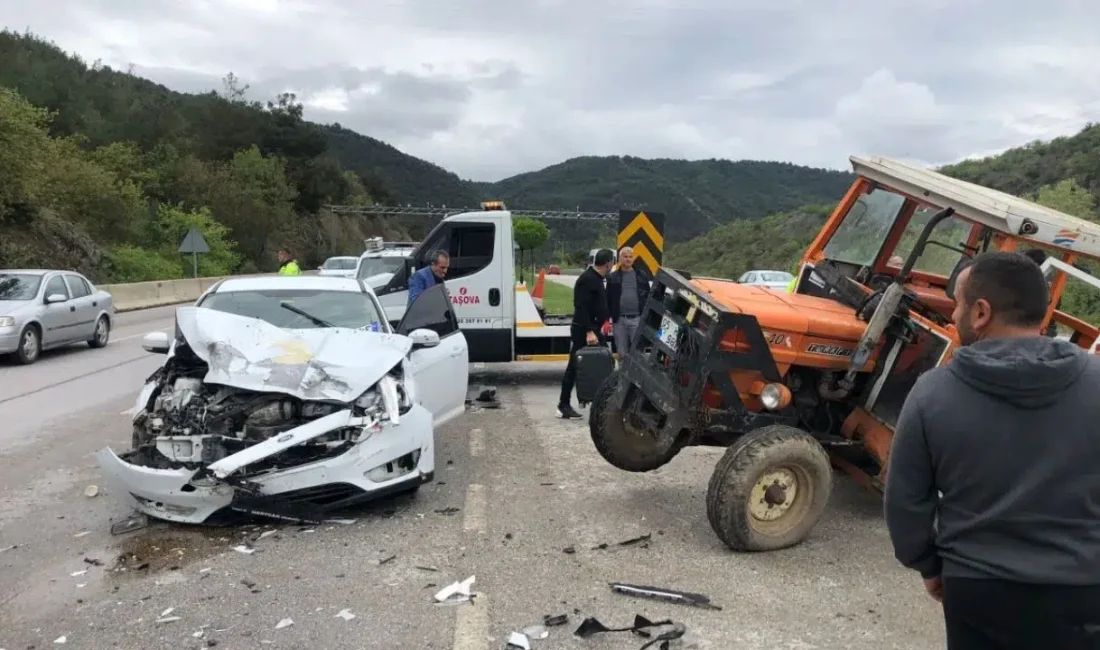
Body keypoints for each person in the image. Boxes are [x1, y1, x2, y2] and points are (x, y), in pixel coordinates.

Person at [884, 251, 1100, 650]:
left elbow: (905, 501)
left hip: (976, 588)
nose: (953, 316)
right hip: (1082, 590)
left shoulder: (933, 392)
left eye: (958, 304)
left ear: (981, 312)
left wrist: (928, 564)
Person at [557, 248, 614, 419]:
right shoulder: (587, 280)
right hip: (584, 330)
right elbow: (581, 308)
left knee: (605, 362)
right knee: (574, 367)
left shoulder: (597, 279)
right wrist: (589, 331)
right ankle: (563, 404)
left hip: (594, 329)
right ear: (608, 263)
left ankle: (602, 402)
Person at [606, 246, 650, 355]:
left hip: (637, 319)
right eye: (625, 256)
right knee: (622, 352)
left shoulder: (641, 275)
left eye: (630, 257)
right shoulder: (612, 277)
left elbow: (648, 296)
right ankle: (623, 372)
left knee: (638, 353)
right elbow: (608, 299)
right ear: (620, 259)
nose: (628, 259)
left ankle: (636, 372)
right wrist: (607, 319)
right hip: (619, 321)